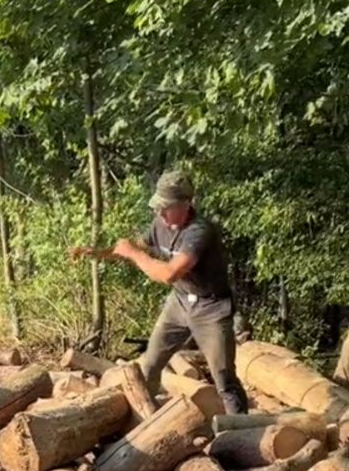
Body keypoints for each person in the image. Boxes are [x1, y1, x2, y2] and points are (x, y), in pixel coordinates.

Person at [75, 170, 248, 415]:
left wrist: (134, 254)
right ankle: (143, 419)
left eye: (166, 207)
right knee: (150, 365)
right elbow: (137, 246)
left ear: (186, 204)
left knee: (223, 378)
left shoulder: (199, 232)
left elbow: (169, 274)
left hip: (211, 308)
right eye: (159, 207)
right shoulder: (160, 223)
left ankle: (240, 432)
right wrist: (98, 252)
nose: (160, 213)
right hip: (179, 302)